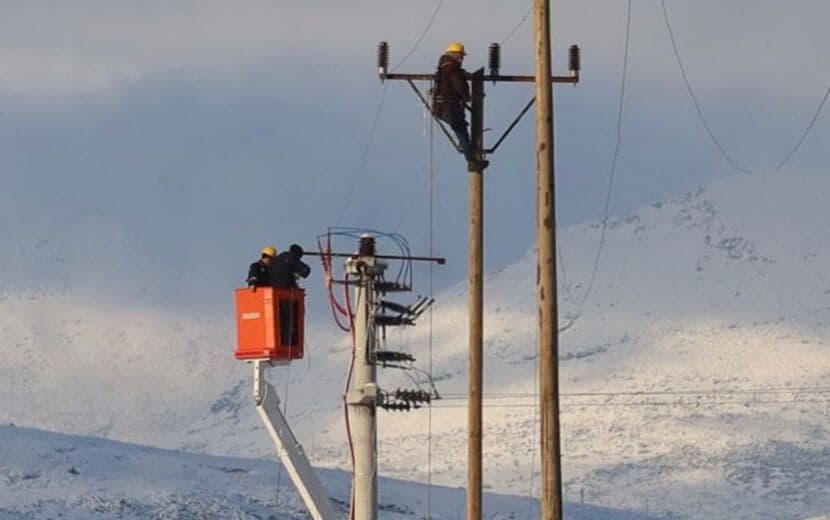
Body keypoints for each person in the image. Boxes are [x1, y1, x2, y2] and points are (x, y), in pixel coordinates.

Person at [432, 42, 489, 172]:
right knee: (461, 131)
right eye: (460, 55)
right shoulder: (452, 69)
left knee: (460, 130)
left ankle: (466, 148)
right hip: (450, 108)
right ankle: (472, 162)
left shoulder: (443, 68)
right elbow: (459, 86)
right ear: (454, 55)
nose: (462, 58)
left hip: (441, 108)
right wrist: (468, 97)